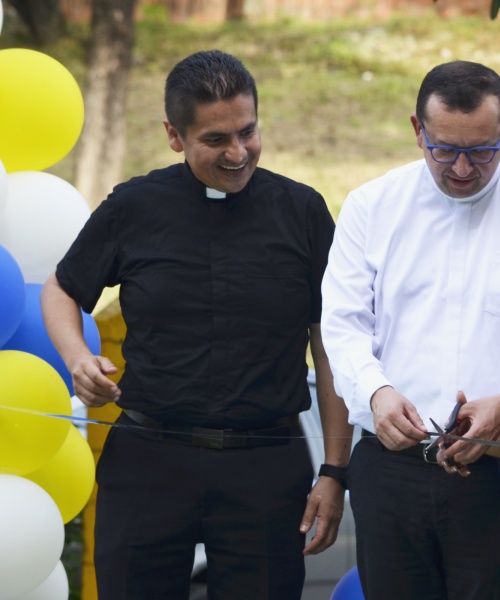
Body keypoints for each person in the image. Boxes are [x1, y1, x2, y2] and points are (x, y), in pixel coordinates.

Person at [40, 50, 353, 600]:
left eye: (248, 131)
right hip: (147, 459)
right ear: (174, 135)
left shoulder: (303, 212)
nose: (238, 153)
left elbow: (330, 346)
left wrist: (334, 471)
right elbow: (62, 289)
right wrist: (77, 358)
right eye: (216, 140)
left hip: (265, 464)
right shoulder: (133, 207)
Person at [320, 60, 500, 599]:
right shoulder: (371, 206)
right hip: (390, 464)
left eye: (482, 149)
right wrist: (375, 392)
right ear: (417, 131)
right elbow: (344, 325)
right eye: (444, 149)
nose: (463, 168)